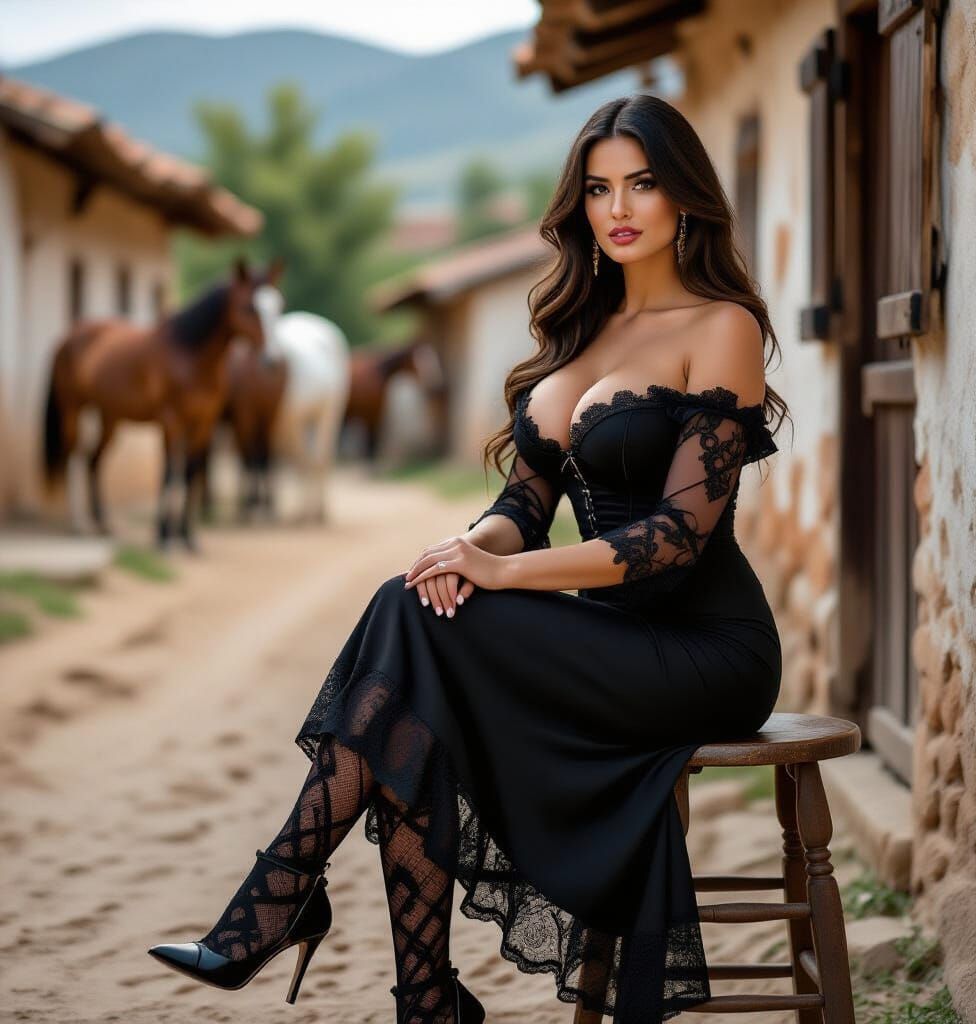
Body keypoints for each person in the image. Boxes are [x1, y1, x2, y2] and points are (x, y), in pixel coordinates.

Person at [148, 93, 790, 1024]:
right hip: (606, 639)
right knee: (415, 614)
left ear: (684, 197)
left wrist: (501, 574)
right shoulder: (579, 331)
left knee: (413, 631)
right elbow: (521, 508)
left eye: (643, 184)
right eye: (600, 188)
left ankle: (286, 900)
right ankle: (422, 997)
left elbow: (674, 544)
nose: (619, 208)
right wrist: (467, 551)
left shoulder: (718, 326)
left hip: (704, 649)